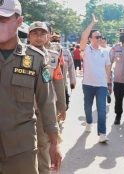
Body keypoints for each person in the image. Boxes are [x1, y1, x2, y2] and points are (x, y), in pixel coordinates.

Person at [0, 0, 61, 174]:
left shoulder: (36, 58)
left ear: (19, 21)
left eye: (4, 19)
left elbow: (47, 102)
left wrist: (54, 143)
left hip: (21, 149)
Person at [28, 21, 66, 174]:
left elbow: (58, 81)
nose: (39, 37)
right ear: (29, 36)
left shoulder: (54, 56)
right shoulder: (21, 55)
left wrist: (62, 106)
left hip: (45, 109)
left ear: (48, 36)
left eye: (42, 33)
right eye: (35, 34)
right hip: (25, 109)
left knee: (44, 145)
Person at [80, 14, 112, 143]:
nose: (100, 38)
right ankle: (88, 122)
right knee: (88, 107)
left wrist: (108, 82)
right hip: (87, 84)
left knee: (102, 109)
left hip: (101, 85)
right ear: (91, 38)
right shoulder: (86, 49)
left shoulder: (105, 51)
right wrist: (92, 23)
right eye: (97, 37)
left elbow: (108, 67)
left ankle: (102, 134)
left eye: (100, 36)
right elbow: (83, 37)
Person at [49, 31, 76, 110]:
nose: (55, 40)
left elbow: (71, 68)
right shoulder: (46, 51)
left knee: (63, 106)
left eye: (57, 38)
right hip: (48, 84)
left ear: (60, 39)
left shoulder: (66, 52)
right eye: (53, 38)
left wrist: (73, 81)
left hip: (62, 83)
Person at [100, 36, 112, 104]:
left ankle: (108, 93)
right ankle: (105, 94)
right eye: (101, 42)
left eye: (104, 42)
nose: (102, 43)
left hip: (109, 69)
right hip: (101, 69)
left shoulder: (110, 49)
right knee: (102, 83)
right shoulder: (99, 49)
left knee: (109, 83)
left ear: (106, 42)